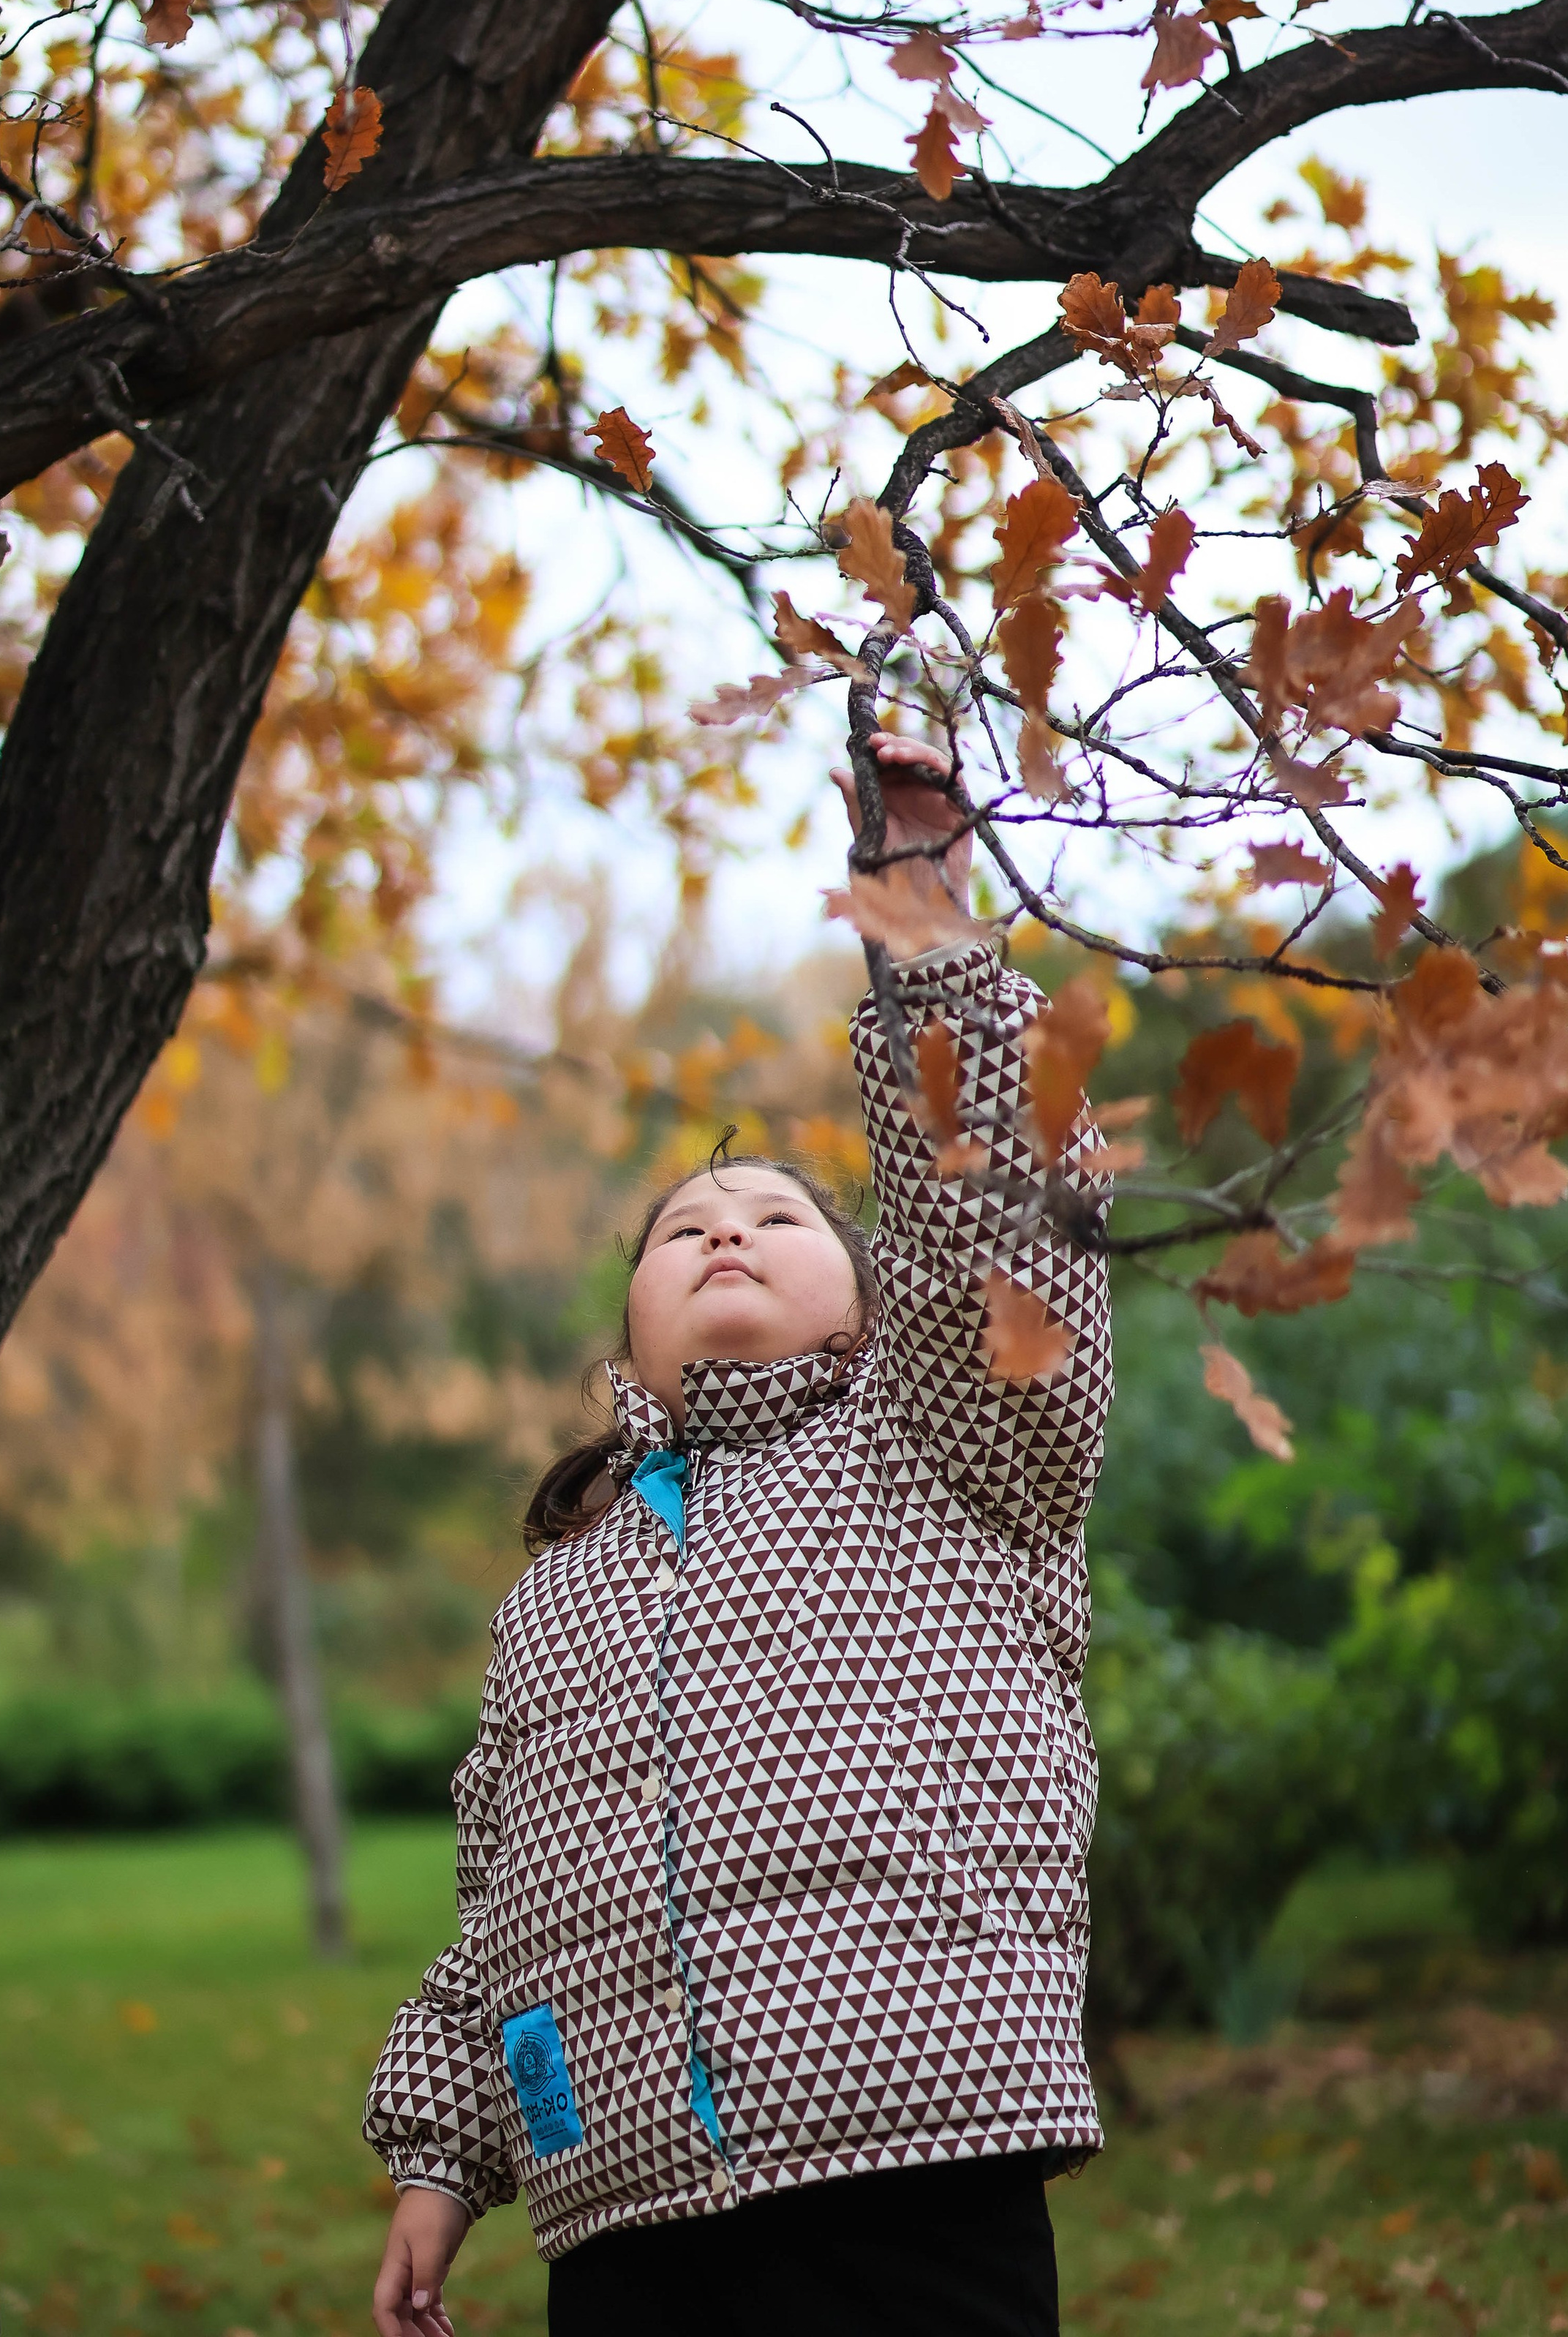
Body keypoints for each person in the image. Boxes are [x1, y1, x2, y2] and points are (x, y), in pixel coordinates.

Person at [365, 733, 1113, 2337]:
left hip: (912, 2155)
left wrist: (927, 943)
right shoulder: (557, 1595)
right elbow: (504, 1902)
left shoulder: (944, 1457)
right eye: (682, 1230)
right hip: (625, 2209)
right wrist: (445, 2153)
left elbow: (994, 1241)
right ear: (629, 1331)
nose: (725, 1232)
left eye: (778, 1217)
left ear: (870, 1308)